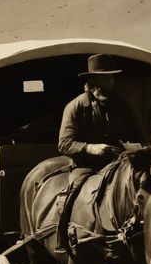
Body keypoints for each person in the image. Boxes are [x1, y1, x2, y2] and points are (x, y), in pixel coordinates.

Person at [58, 53, 144, 182]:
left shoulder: (123, 105)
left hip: (119, 166)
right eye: (104, 77)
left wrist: (134, 147)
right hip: (85, 167)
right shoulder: (76, 106)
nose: (110, 81)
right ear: (93, 80)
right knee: (76, 189)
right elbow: (64, 144)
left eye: (111, 76)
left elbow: (140, 138)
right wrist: (92, 148)